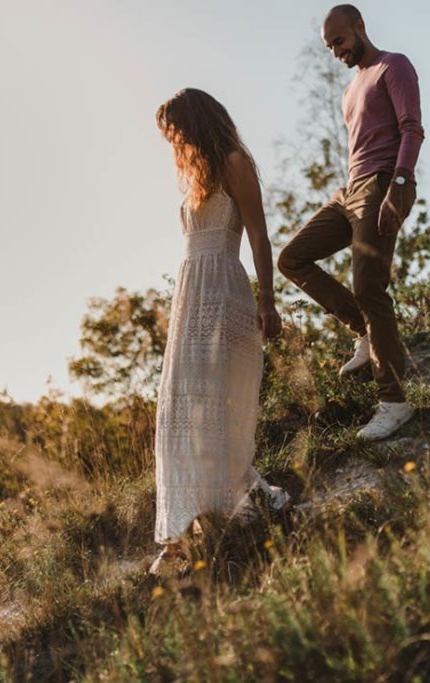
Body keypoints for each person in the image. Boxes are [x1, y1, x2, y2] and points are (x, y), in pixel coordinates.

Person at [150, 88, 289, 574]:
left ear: (197, 122)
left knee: (215, 403)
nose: (175, 140)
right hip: (190, 298)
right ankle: (185, 528)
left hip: (225, 290)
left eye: (177, 129)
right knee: (181, 409)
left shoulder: (233, 163)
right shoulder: (194, 180)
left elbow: (259, 235)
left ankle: (232, 510)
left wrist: (268, 301)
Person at [277, 4, 424, 441]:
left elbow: (412, 128)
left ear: (359, 27)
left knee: (368, 287)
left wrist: (400, 184)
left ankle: (395, 401)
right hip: (350, 191)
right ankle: (362, 331)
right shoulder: (349, 90)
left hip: (382, 184)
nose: (335, 51)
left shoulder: (392, 66)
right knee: (292, 258)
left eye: (339, 41)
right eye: (329, 47)